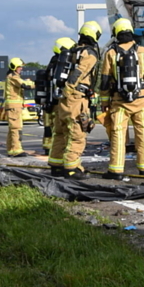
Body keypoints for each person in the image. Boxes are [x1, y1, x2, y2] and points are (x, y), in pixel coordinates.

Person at [99, 18, 144, 180]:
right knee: (143, 133)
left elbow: (104, 81)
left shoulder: (111, 53)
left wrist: (104, 102)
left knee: (118, 134)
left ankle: (116, 170)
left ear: (116, 33)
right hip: (141, 100)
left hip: (119, 102)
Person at [47, 22, 101, 177]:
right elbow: (80, 72)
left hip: (63, 100)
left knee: (60, 133)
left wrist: (65, 92)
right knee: (77, 135)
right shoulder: (88, 54)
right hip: (76, 98)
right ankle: (71, 169)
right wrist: (71, 89)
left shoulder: (72, 51)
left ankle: (56, 166)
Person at [41, 37, 76, 155]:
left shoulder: (52, 63)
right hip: (58, 101)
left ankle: (49, 148)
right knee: (61, 129)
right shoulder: (62, 64)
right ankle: (63, 151)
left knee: (50, 128)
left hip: (49, 100)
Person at [3, 57, 32, 157]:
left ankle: (11, 149)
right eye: (19, 67)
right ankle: (16, 150)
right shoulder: (13, 77)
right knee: (16, 128)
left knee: (12, 129)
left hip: (14, 106)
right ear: (14, 67)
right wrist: (35, 83)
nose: (21, 69)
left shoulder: (12, 76)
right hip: (14, 107)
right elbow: (25, 85)